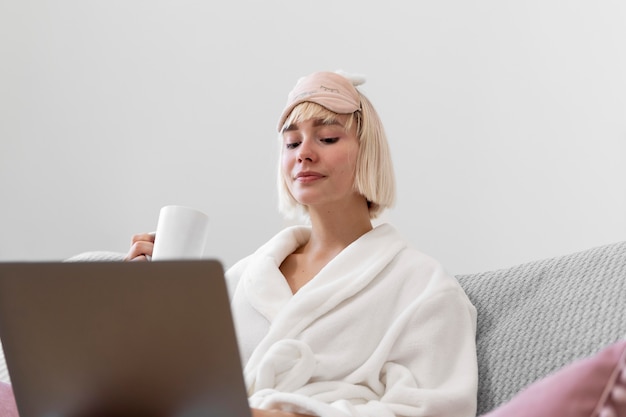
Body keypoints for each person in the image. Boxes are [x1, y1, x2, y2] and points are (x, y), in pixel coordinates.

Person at [126, 70, 478, 417]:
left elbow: (435, 409)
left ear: (367, 152)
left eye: (327, 139)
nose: (303, 153)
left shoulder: (423, 287)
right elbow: (172, 387)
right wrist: (155, 302)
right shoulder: (244, 278)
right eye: (292, 143)